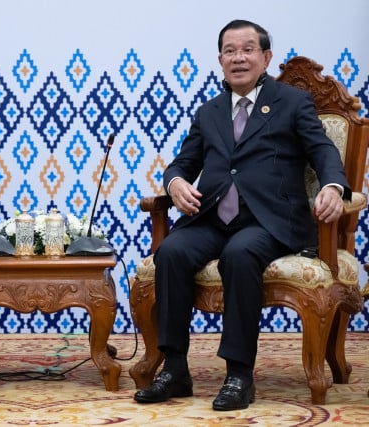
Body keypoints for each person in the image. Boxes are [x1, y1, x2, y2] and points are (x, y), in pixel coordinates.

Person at [133, 19, 350, 411]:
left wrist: (334, 186)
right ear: (220, 60)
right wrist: (176, 184)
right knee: (171, 253)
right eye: (230, 51)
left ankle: (238, 374)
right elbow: (181, 164)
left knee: (240, 253)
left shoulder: (292, 102)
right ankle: (175, 368)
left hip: (269, 220)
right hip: (213, 216)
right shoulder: (209, 112)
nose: (239, 58)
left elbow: (323, 152)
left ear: (265, 57)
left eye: (248, 49)